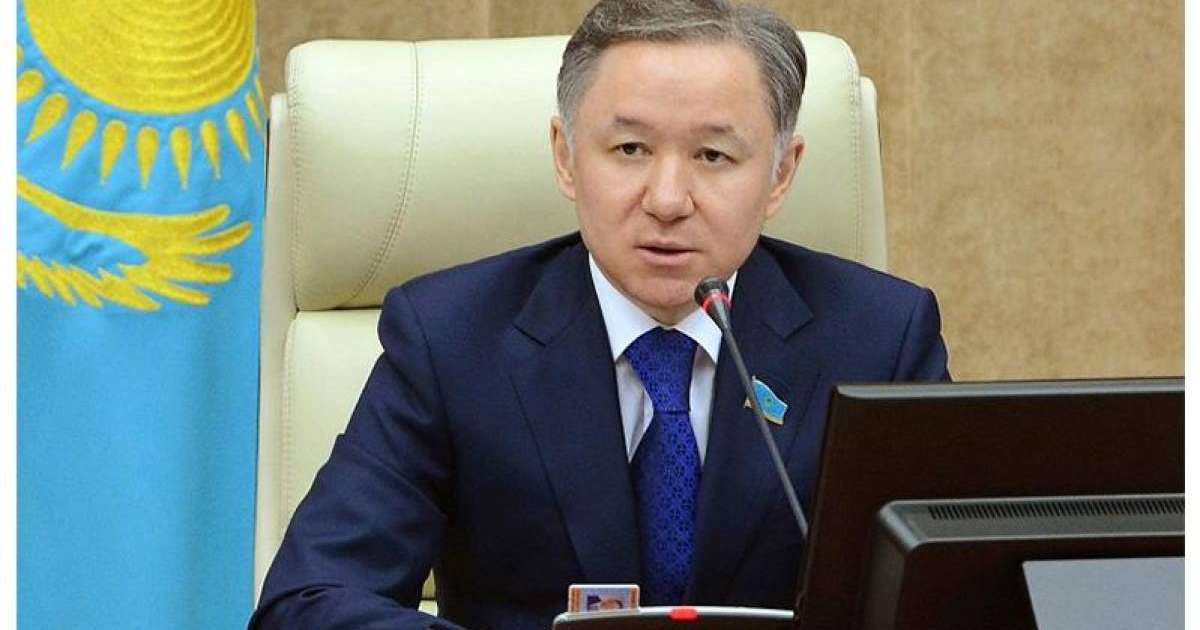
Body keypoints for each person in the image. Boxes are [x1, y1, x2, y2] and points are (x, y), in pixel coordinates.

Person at [250, 1, 950, 628]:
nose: (667, 199)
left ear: (780, 173)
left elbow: (948, 593)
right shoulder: (451, 341)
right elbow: (308, 602)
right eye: (630, 149)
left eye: (713, 155)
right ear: (566, 157)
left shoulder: (881, 341)